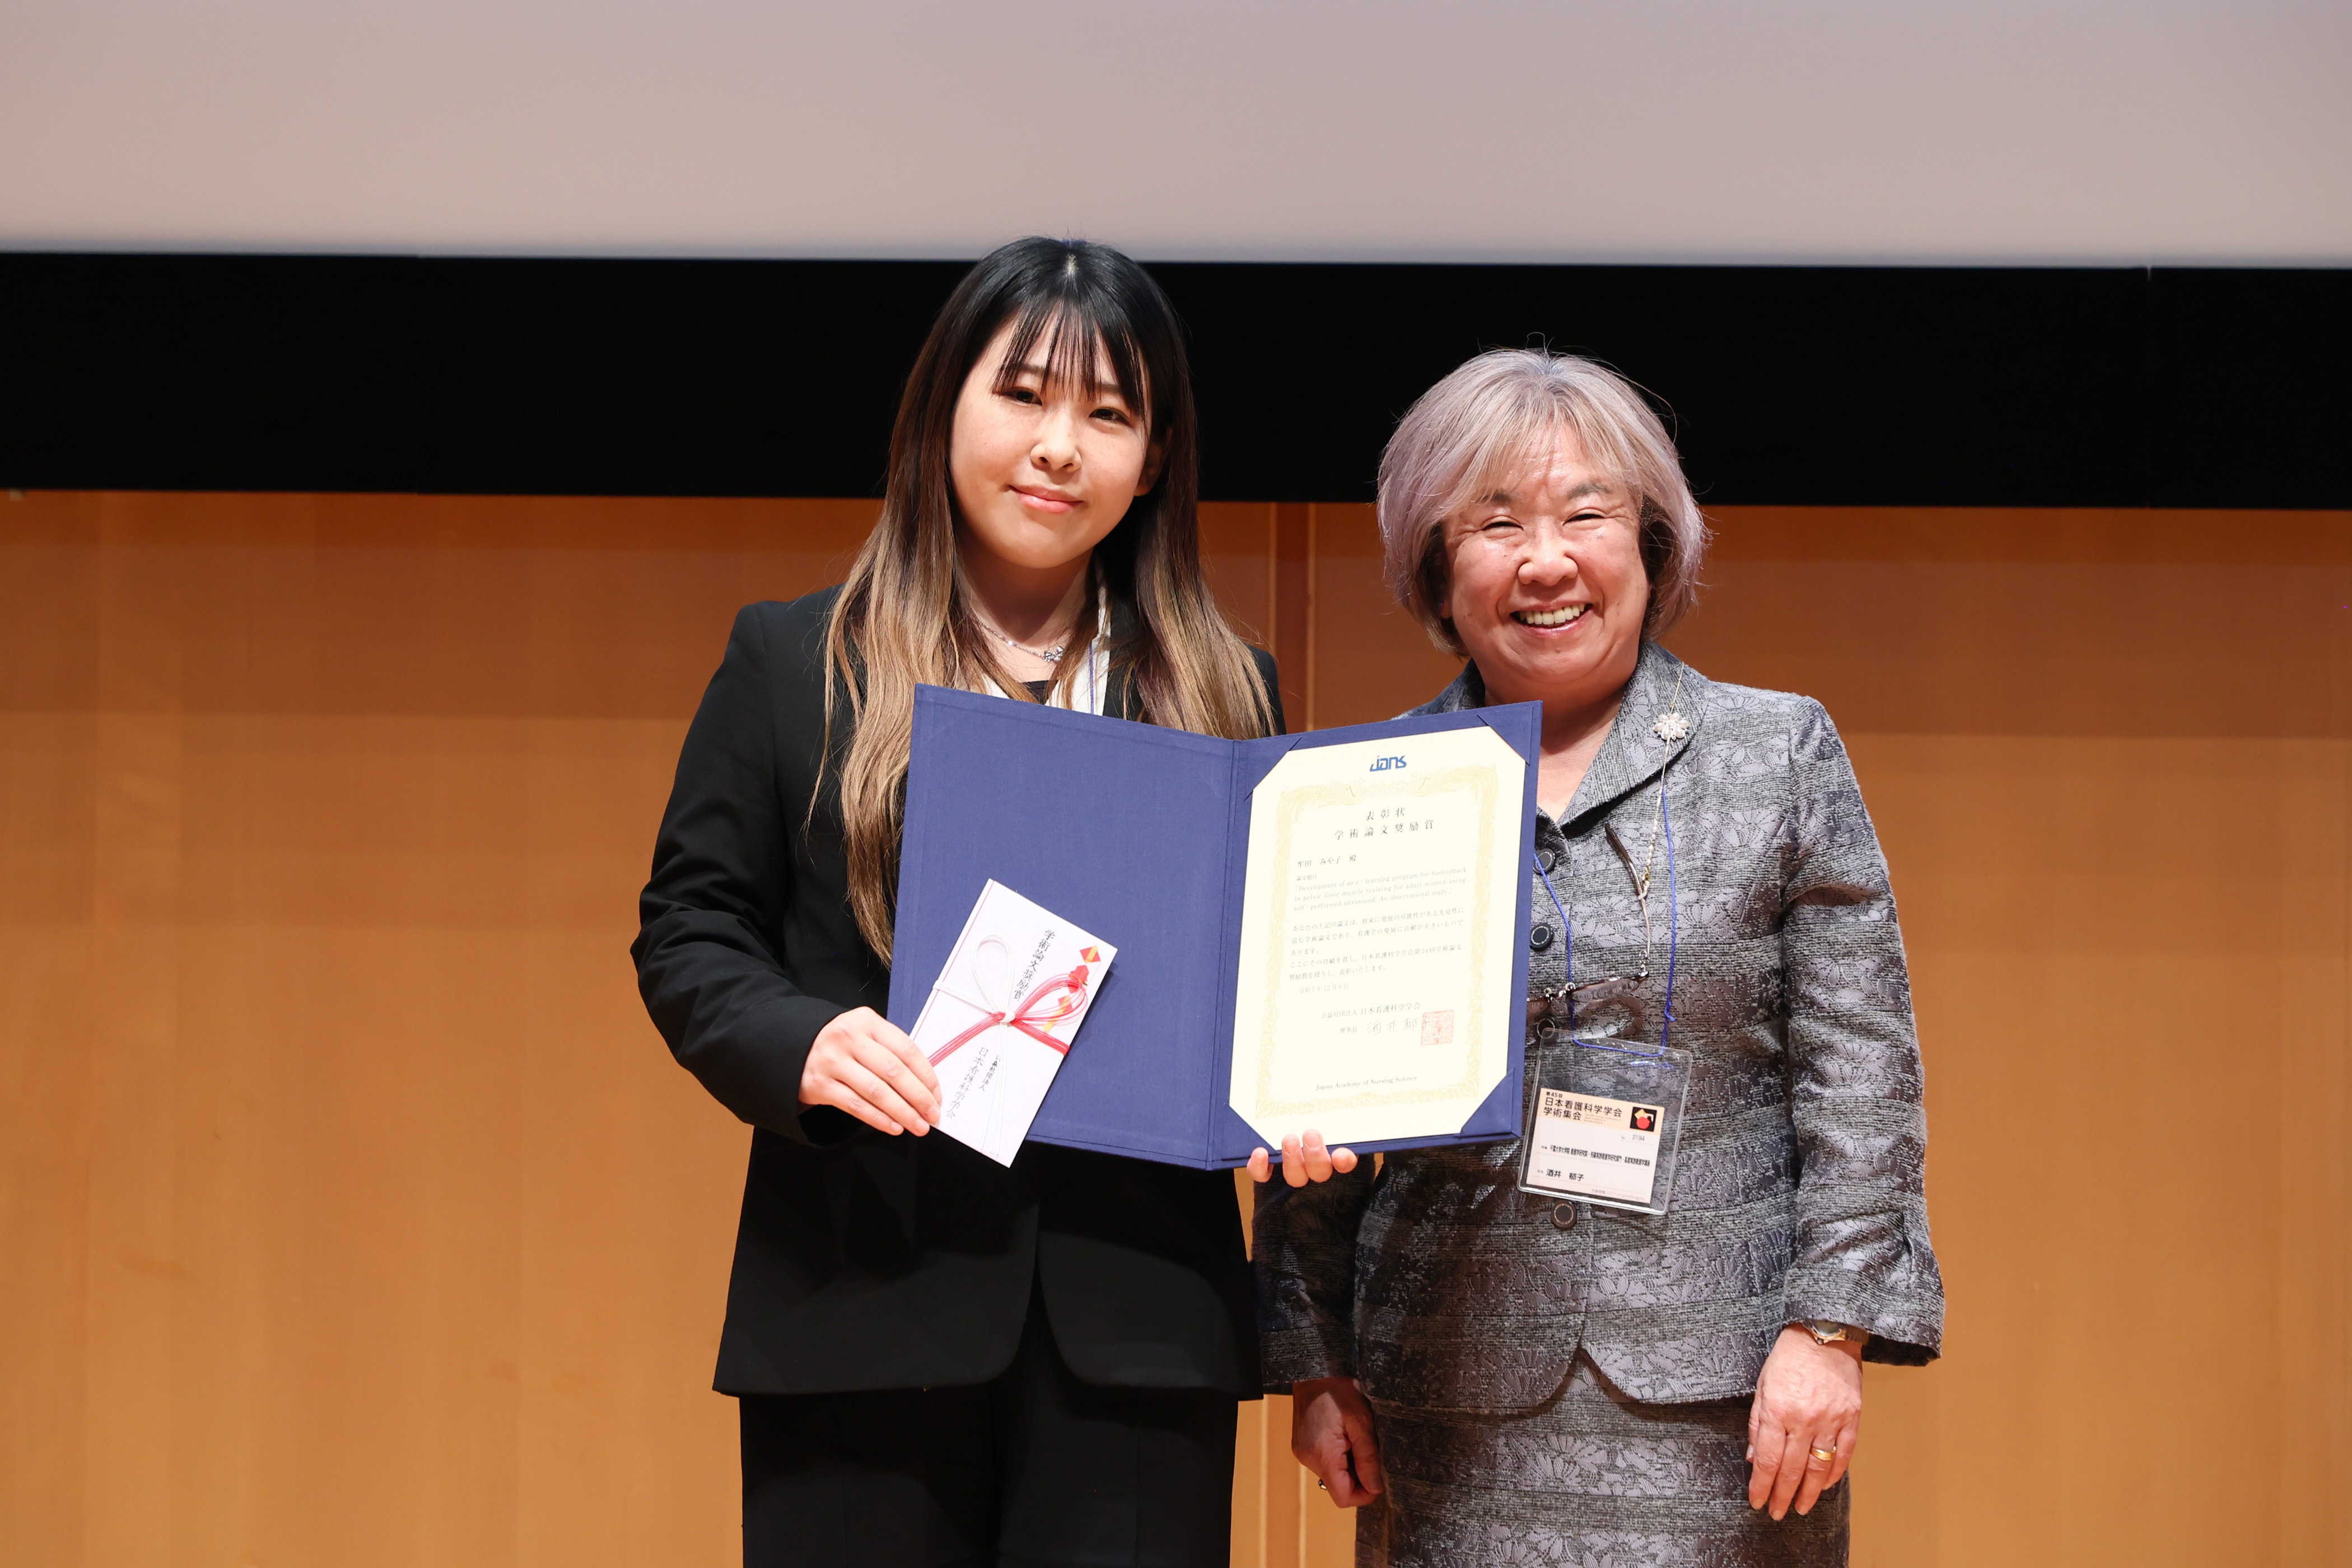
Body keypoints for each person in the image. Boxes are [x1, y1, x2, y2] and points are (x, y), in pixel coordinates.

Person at [633, 237, 1282, 1568]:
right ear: (941, 412)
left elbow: (1266, 978)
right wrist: (799, 1041)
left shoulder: (1230, 693)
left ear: (1153, 460)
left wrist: (1297, 1085)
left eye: (1110, 413)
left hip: (1140, 1329)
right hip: (864, 1294)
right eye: (1024, 394)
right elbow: (691, 928)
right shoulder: (793, 659)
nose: (1060, 446)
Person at [1249, 349, 1944, 1566]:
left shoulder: (1776, 754)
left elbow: (1862, 1076)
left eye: (1586, 513)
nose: (1546, 558)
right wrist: (1318, 1360)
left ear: (1653, 541)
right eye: (1494, 522)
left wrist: (1830, 1332)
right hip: (1450, 1399)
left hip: (1725, 1398)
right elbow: (1322, 1108)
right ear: (1437, 565)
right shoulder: (1360, 787)